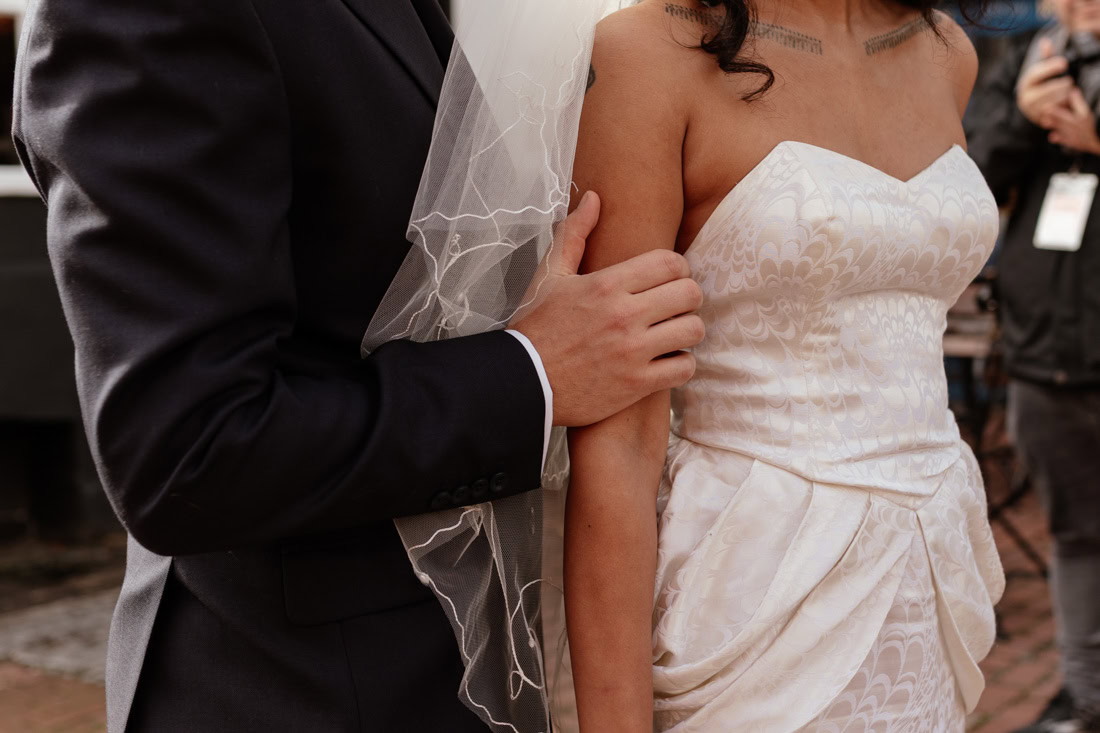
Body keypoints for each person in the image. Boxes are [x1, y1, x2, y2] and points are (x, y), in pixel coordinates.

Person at [9, 1, 706, 731]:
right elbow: (189, 452)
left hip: (444, 674)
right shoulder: (148, 16)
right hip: (296, 691)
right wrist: (530, 372)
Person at [563, 0, 1005, 729]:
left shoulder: (945, 49)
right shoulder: (647, 54)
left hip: (933, 566)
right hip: (758, 594)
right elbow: (619, 440)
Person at [968, 0, 1100, 729]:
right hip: (1044, 349)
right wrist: (1021, 115)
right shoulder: (1023, 63)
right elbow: (968, 186)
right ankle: (1085, 695)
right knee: (1076, 531)